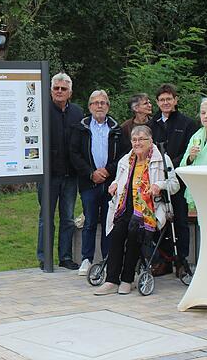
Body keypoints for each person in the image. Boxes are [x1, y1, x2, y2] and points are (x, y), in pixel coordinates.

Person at [94, 125, 179, 295]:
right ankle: (111, 279)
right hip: (125, 206)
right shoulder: (126, 160)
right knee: (117, 234)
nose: (137, 143)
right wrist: (114, 184)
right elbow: (118, 179)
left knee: (134, 233)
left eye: (141, 139)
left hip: (149, 210)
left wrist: (159, 185)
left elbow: (174, 185)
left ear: (150, 141)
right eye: (134, 139)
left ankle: (127, 279)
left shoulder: (162, 159)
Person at [70, 90, 125, 276]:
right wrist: (91, 173)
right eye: (95, 103)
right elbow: (74, 154)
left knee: (108, 221)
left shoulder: (116, 128)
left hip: (110, 183)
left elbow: (124, 155)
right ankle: (87, 259)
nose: (99, 106)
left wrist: (108, 170)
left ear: (108, 106)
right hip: (89, 183)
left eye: (103, 102)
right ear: (90, 107)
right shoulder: (81, 127)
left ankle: (108, 258)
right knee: (90, 221)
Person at [148, 84, 197, 276]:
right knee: (160, 221)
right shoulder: (152, 125)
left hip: (179, 181)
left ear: (175, 100)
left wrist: (170, 165)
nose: (166, 103)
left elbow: (188, 150)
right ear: (157, 102)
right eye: (162, 100)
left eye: (169, 99)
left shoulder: (187, 124)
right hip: (157, 181)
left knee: (181, 221)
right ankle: (164, 261)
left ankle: (181, 261)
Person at [37, 72, 84, 270]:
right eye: (56, 88)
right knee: (46, 217)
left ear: (70, 92)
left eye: (63, 89)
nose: (59, 91)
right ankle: (44, 257)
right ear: (50, 91)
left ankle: (65, 256)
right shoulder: (41, 110)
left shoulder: (77, 113)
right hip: (47, 176)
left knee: (67, 218)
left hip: (70, 175)